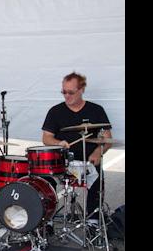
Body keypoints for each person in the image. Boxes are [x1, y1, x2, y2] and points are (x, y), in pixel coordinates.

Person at [41, 71, 112, 221]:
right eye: (64, 92)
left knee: (97, 175)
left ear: (81, 90)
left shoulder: (96, 110)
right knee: (44, 179)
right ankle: (47, 220)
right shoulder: (55, 111)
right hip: (62, 162)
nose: (66, 96)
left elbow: (107, 138)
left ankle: (93, 219)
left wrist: (98, 152)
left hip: (88, 161)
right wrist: (58, 143)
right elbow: (46, 137)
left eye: (71, 92)